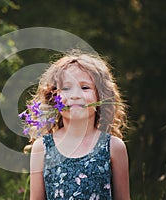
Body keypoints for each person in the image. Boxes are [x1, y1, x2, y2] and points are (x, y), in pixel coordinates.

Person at [23, 50, 130, 199]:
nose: (75, 95)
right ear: (54, 97)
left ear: (101, 95)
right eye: (66, 88)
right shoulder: (42, 148)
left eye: (85, 87)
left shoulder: (113, 147)